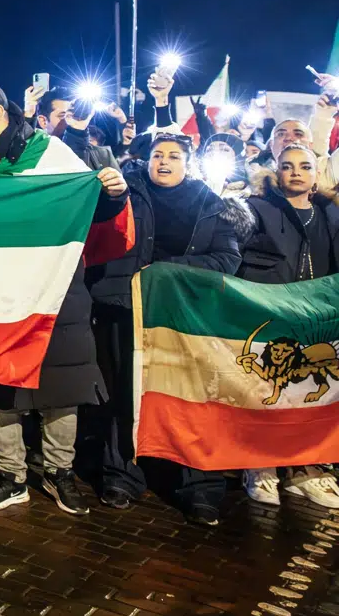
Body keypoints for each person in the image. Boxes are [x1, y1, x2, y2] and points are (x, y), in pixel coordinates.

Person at [0, 81, 128, 519]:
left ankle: (58, 471)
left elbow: (88, 206)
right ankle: (11, 475)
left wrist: (113, 194)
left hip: (56, 291)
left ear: (0, 111)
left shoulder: (50, 153)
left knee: (61, 385)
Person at [87, 133, 246, 525]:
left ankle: (198, 485)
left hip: (183, 316)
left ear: (187, 163)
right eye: (158, 154)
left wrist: (169, 273)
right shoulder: (126, 190)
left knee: (189, 398)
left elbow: (227, 257)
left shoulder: (211, 203)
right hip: (124, 308)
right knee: (124, 394)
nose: (164, 161)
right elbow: (100, 227)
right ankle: (122, 475)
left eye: (174, 156)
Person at [238, 145, 339, 508]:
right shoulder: (257, 208)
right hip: (270, 317)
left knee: (310, 396)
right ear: (276, 172)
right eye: (287, 166)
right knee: (267, 394)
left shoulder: (330, 212)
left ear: (316, 174)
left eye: (305, 166)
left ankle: (304, 469)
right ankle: (259, 466)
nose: (296, 172)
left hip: (317, 320)